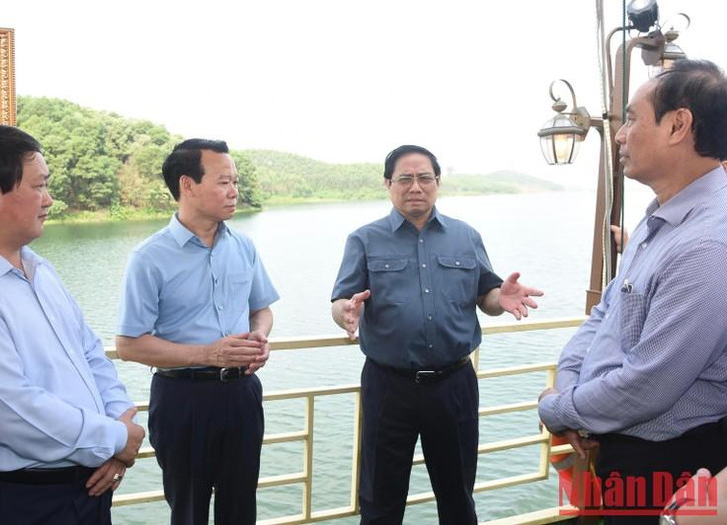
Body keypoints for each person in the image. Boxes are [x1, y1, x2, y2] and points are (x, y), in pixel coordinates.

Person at [537, 59, 727, 525]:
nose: (620, 135)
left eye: (634, 119)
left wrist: (561, 407)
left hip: (671, 462)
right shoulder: (659, 217)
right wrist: (572, 385)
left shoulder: (708, 245)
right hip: (625, 448)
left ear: (678, 125)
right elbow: (607, 311)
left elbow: (650, 384)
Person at [0, 124, 145, 525]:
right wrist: (116, 438)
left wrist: (119, 423)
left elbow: (90, 354)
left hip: (87, 488)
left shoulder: (39, 268)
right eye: (39, 186)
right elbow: (8, 411)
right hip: (14, 502)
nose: (49, 200)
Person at [331, 144, 543, 525]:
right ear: (388, 184)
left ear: (437, 183)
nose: (416, 186)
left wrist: (501, 297)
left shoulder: (466, 236)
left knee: (458, 497)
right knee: (380, 499)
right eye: (405, 178)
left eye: (424, 177)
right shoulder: (364, 239)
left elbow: (487, 295)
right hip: (388, 385)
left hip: (454, 384)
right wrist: (345, 312)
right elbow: (341, 299)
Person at [116, 138, 279, 525]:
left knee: (241, 508)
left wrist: (259, 337)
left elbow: (262, 309)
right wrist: (208, 354)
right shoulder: (149, 257)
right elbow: (128, 344)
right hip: (182, 399)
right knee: (189, 510)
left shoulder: (243, 246)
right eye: (224, 182)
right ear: (187, 185)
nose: (234, 191)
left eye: (235, 181)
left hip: (242, 393)